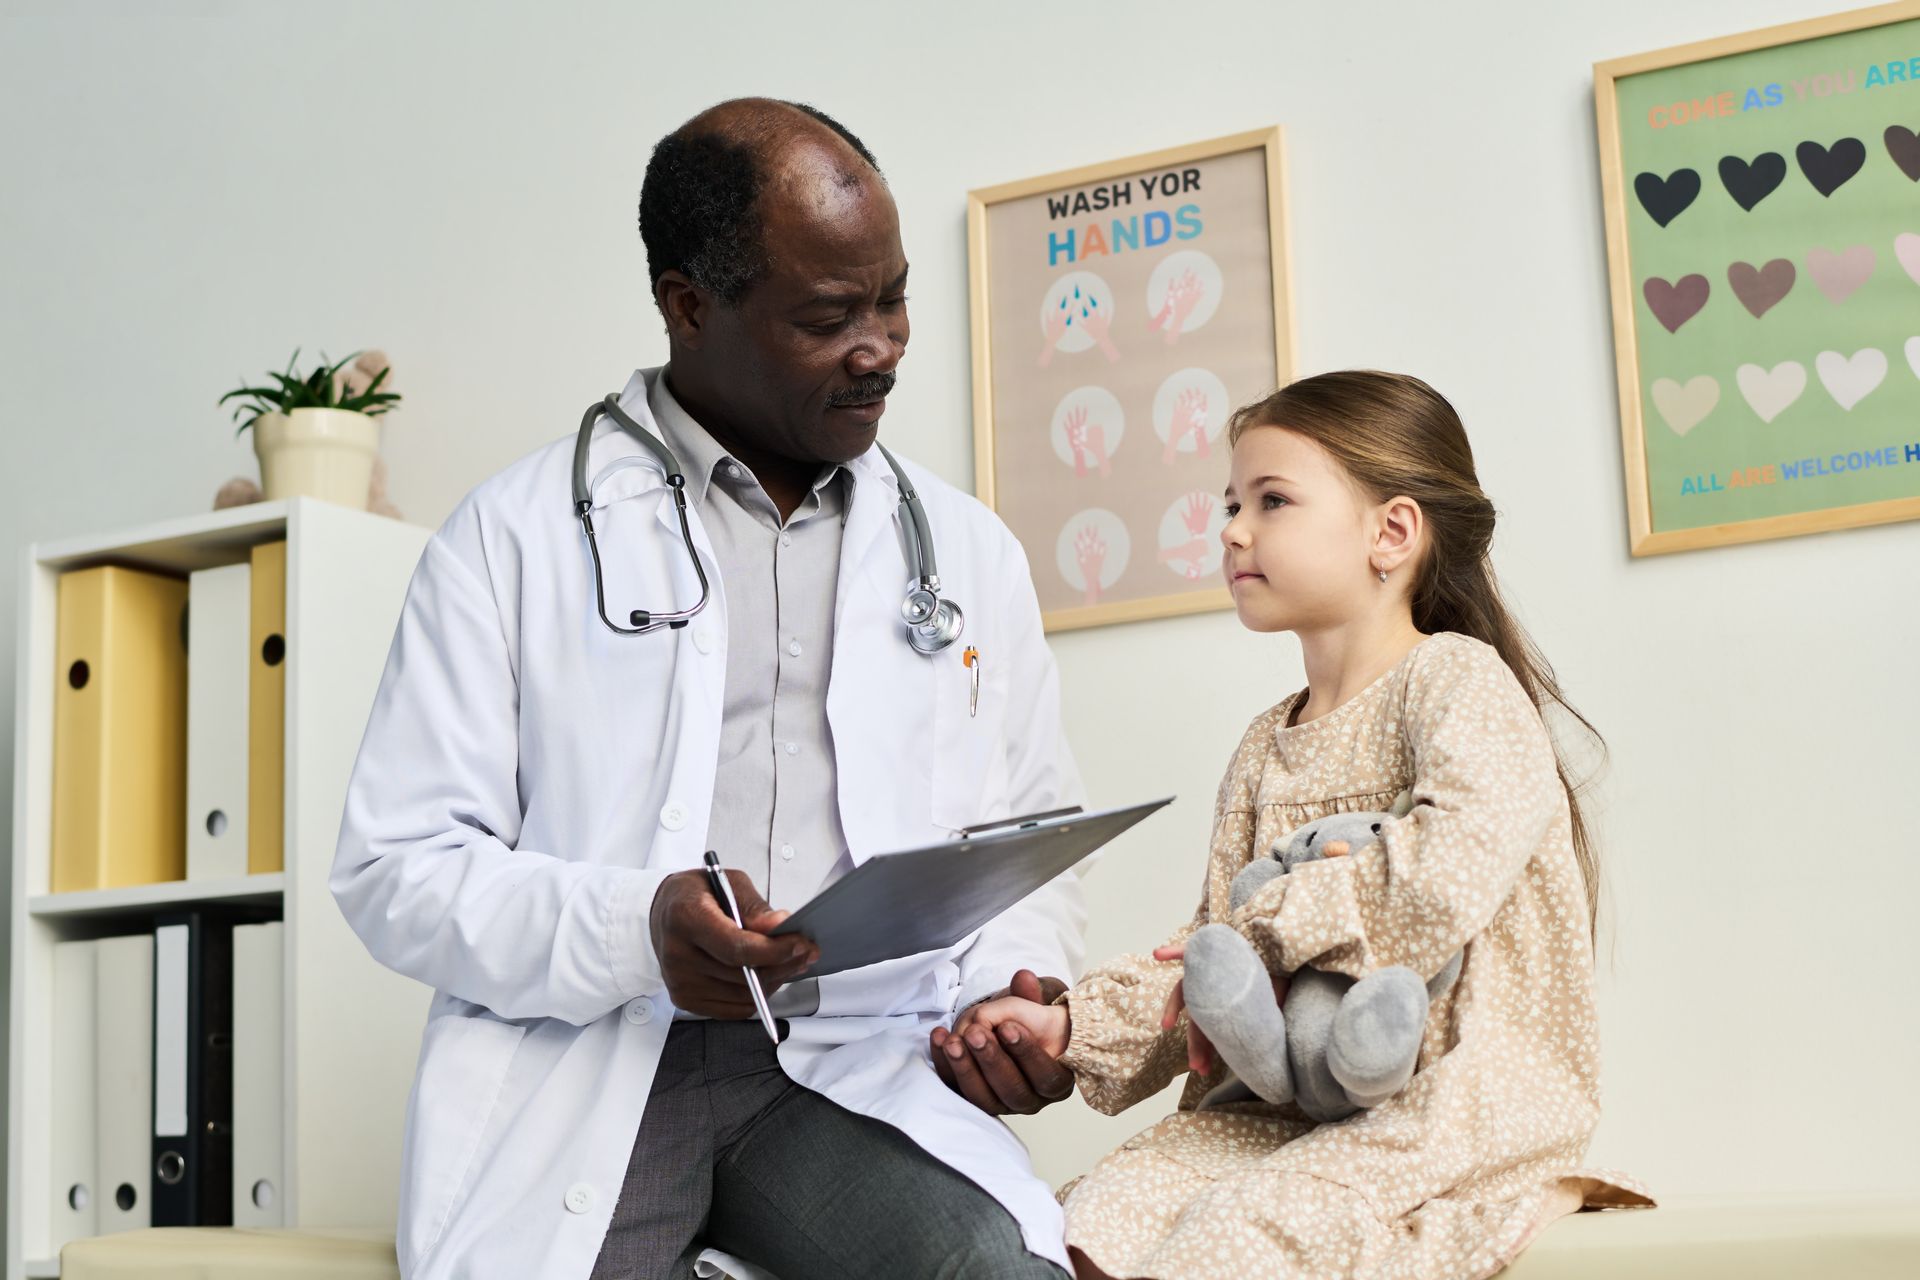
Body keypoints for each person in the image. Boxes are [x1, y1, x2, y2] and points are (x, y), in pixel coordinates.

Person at [332, 98, 1086, 1280]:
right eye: (830, 315)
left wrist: (1012, 991)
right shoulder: (514, 536)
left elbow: (1019, 834)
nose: (881, 344)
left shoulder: (968, 550)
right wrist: (636, 930)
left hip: (847, 1062)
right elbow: (396, 868)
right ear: (690, 306)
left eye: (893, 298)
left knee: (996, 1269)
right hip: (602, 1062)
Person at [941, 372, 1653, 1279]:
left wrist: (1263, 937)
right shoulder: (1264, 744)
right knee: (1085, 1218)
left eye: (1271, 501)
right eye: (1231, 505)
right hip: (1282, 1107)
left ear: (1391, 532)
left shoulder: (1458, 683)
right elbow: (1208, 949)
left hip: (1458, 1097)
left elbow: (1439, 876)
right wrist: (1070, 1028)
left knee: (1246, 1229)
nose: (1233, 529)